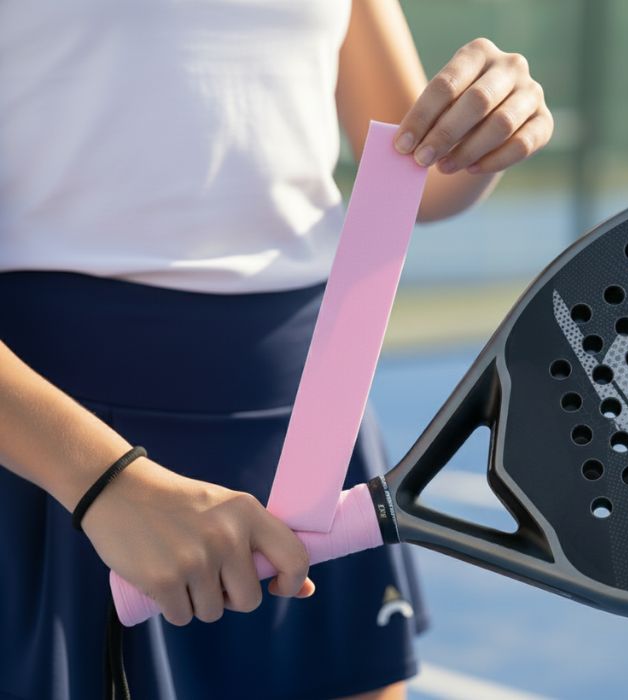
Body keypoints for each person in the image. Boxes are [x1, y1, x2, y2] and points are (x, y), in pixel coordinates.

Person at [0, 1, 553, 698]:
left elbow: (424, 170)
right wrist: (102, 482)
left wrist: (486, 125)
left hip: (313, 412)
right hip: (58, 448)